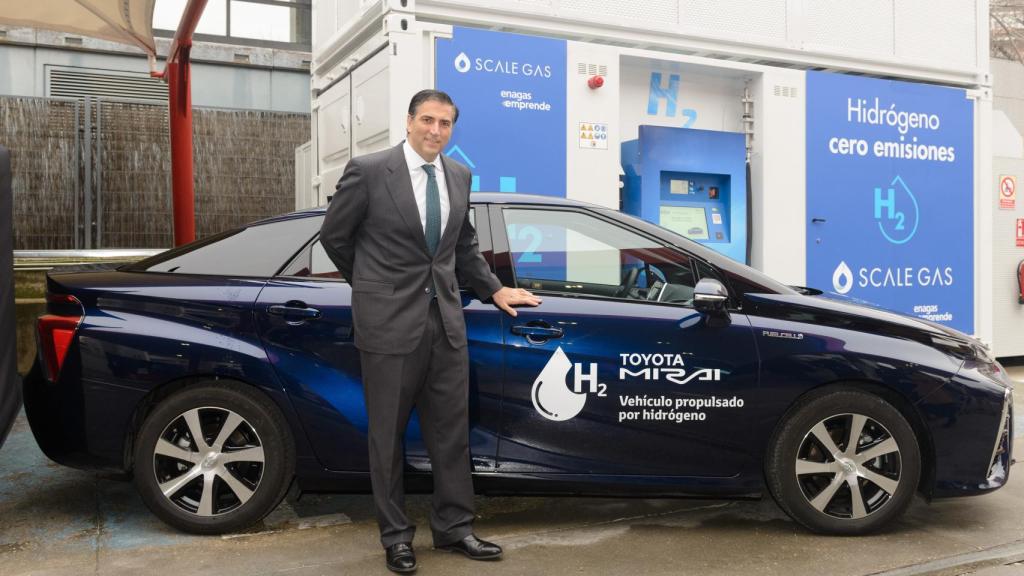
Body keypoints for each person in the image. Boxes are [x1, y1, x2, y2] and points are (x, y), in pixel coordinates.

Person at [320, 89, 541, 574]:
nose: (435, 131)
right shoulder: (371, 170)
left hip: (445, 324)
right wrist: (374, 284)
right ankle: (396, 537)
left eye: (444, 124)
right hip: (387, 326)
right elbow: (334, 236)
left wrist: (494, 290)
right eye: (427, 120)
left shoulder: (458, 175)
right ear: (409, 121)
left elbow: (463, 246)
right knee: (386, 437)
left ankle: (455, 528)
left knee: (450, 434)